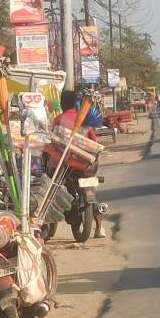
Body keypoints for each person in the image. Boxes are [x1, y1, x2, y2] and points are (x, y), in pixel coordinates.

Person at [47, 89, 106, 238]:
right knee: (91, 191)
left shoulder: (59, 119)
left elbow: (54, 142)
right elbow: (94, 141)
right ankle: (100, 227)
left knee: (56, 182)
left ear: (62, 103)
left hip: (69, 164)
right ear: (76, 103)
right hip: (88, 164)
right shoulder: (85, 118)